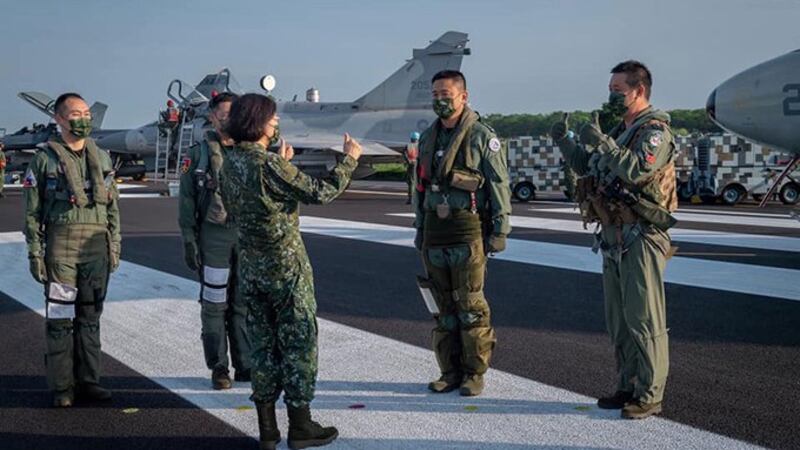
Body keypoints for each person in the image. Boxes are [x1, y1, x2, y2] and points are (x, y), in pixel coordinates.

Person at [221, 93, 362, 450]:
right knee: (298, 344)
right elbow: (321, 192)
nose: (276, 123)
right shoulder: (268, 165)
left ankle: (267, 429)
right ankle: (301, 426)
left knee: (263, 348)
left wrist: (280, 165)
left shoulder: (230, 163)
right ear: (259, 122)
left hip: (252, 270)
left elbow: (250, 202)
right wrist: (349, 160)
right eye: (272, 118)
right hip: (286, 271)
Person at [551, 61, 677, 419]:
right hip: (613, 235)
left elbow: (637, 169)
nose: (611, 96)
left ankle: (650, 393)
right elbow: (590, 166)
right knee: (619, 320)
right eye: (610, 90)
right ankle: (628, 385)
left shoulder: (654, 132)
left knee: (644, 317)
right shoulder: (621, 132)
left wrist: (604, 143)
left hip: (641, 235)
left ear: (639, 91)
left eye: (617, 91)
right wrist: (565, 141)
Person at [413, 70, 512, 397]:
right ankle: (449, 371)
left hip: (467, 232)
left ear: (463, 96)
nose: (440, 100)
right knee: (442, 309)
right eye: (435, 95)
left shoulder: (482, 136)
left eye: (446, 94)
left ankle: (474, 373)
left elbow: (498, 184)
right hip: (435, 234)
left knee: (470, 306)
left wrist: (500, 229)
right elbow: (419, 187)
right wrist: (419, 227)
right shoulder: (428, 138)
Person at [23, 93, 121, 407]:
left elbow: (113, 208)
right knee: (61, 319)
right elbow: (32, 213)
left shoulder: (102, 157)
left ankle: (89, 381)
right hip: (61, 250)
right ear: (59, 119)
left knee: (90, 317)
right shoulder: (44, 159)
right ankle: (63, 387)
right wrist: (35, 252)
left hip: (96, 248)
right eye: (76, 114)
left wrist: (115, 244)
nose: (83, 119)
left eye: (86, 113)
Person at [178, 92, 252, 390]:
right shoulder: (198, 155)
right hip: (214, 238)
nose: (229, 120)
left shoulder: (251, 152)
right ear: (212, 117)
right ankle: (219, 367)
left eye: (235, 115)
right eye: (224, 115)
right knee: (214, 304)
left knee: (244, 302)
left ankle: (246, 364)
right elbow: (186, 201)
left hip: (246, 238)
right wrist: (189, 239)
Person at [404, 131, 420, 204]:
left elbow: (405, 155)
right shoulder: (421, 145)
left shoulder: (408, 146)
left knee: (411, 181)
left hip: (411, 165)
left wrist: (408, 162)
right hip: (419, 165)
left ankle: (411, 198)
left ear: (411, 138)